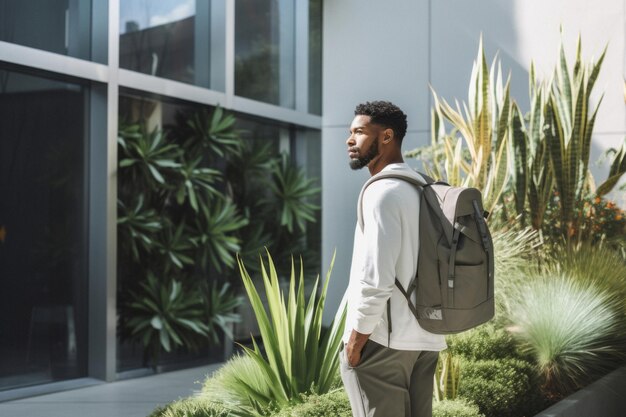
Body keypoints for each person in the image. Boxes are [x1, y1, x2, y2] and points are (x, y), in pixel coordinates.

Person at [340, 101, 446, 417]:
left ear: (386, 136)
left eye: (359, 131)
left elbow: (376, 278)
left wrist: (356, 343)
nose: (349, 139)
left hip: (383, 342)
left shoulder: (382, 192)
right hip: (426, 338)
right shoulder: (423, 188)